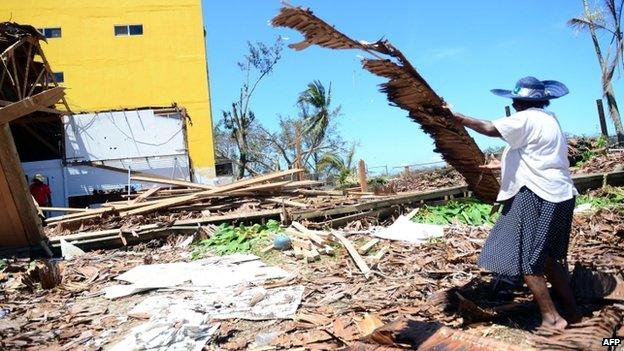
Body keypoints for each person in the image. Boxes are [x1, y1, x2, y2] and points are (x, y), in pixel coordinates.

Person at [453, 76, 581, 332]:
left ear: (517, 102)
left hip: (535, 194)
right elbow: (539, 156)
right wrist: (502, 164)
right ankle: (573, 312)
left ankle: (552, 319)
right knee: (549, 259)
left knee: (527, 260)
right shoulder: (550, 120)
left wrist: (460, 118)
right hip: (562, 193)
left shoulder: (524, 118)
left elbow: (489, 128)